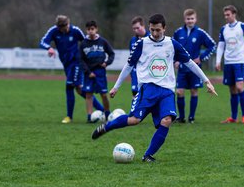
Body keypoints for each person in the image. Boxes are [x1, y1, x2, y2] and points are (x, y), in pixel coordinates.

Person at [91, 14, 217, 162]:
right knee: (134, 120)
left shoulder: (172, 44)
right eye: (152, 30)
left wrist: (207, 80)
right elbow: (129, 65)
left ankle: (148, 155)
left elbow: (189, 62)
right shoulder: (141, 44)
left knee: (167, 120)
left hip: (167, 91)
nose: (155, 34)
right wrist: (116, 87)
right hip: (148, 89)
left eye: (158, 30)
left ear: (164, 28)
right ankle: (108, 127)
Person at [39, 15, 104, 124]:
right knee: (80, 90)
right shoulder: (54, 31)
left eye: (67, 25)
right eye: (63, 27)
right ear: (59, 27)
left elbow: (86, 42)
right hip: (66, 64)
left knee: (69, 86)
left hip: (76, 62)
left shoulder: (75, 30)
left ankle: (69, 117)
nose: (66, 28)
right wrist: (49, 47)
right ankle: (103, 110)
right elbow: (42, 42)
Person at [173, 9, 216, 124]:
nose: (190, 20)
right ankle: (181, 117)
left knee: (194, 91)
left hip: (195, 69)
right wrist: (175, 60)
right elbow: (172, 48)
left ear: (195, 19)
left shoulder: (200, 33)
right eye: (188, 18)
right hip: (182, 68)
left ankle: (191, 117)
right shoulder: (178, 32)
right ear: (184, 19)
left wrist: (201, 58)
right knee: (179, 92)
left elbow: (212, 45)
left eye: (192, 18)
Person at [215, 5, 244, 124]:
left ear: (234, 14)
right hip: (228, 62)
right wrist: (218, 61)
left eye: (228, 15)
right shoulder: (223, 29)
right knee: (232, 90)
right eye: (225, 15)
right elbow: (221, 46)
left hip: (240, 61)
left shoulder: (243, 27)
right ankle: (233, 117)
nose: (226, 17)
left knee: (239, 87)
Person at [80, 20, 115, 123]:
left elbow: (111, 54)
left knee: (103, 94)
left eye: (92, 29)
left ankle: (108, 114)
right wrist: (87, 72)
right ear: (86, 30)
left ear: (96, 29)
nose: (91, 31)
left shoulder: (102, 41)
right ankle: (89, 117)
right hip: (89, 72)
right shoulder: (83, 44)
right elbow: (81, 60)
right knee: (88, 95)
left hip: (100, 72)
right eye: (88, 29)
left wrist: (107, 63)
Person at [129, 16, 150, 96]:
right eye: (134, 29)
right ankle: (134, 109)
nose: (136, 30)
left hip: (147, 72)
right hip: (135, 71)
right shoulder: (132, 40)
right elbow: (131, 58)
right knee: (135, 93)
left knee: (146, 95)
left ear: (143, 26)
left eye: (137, 28)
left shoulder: (150, 38)